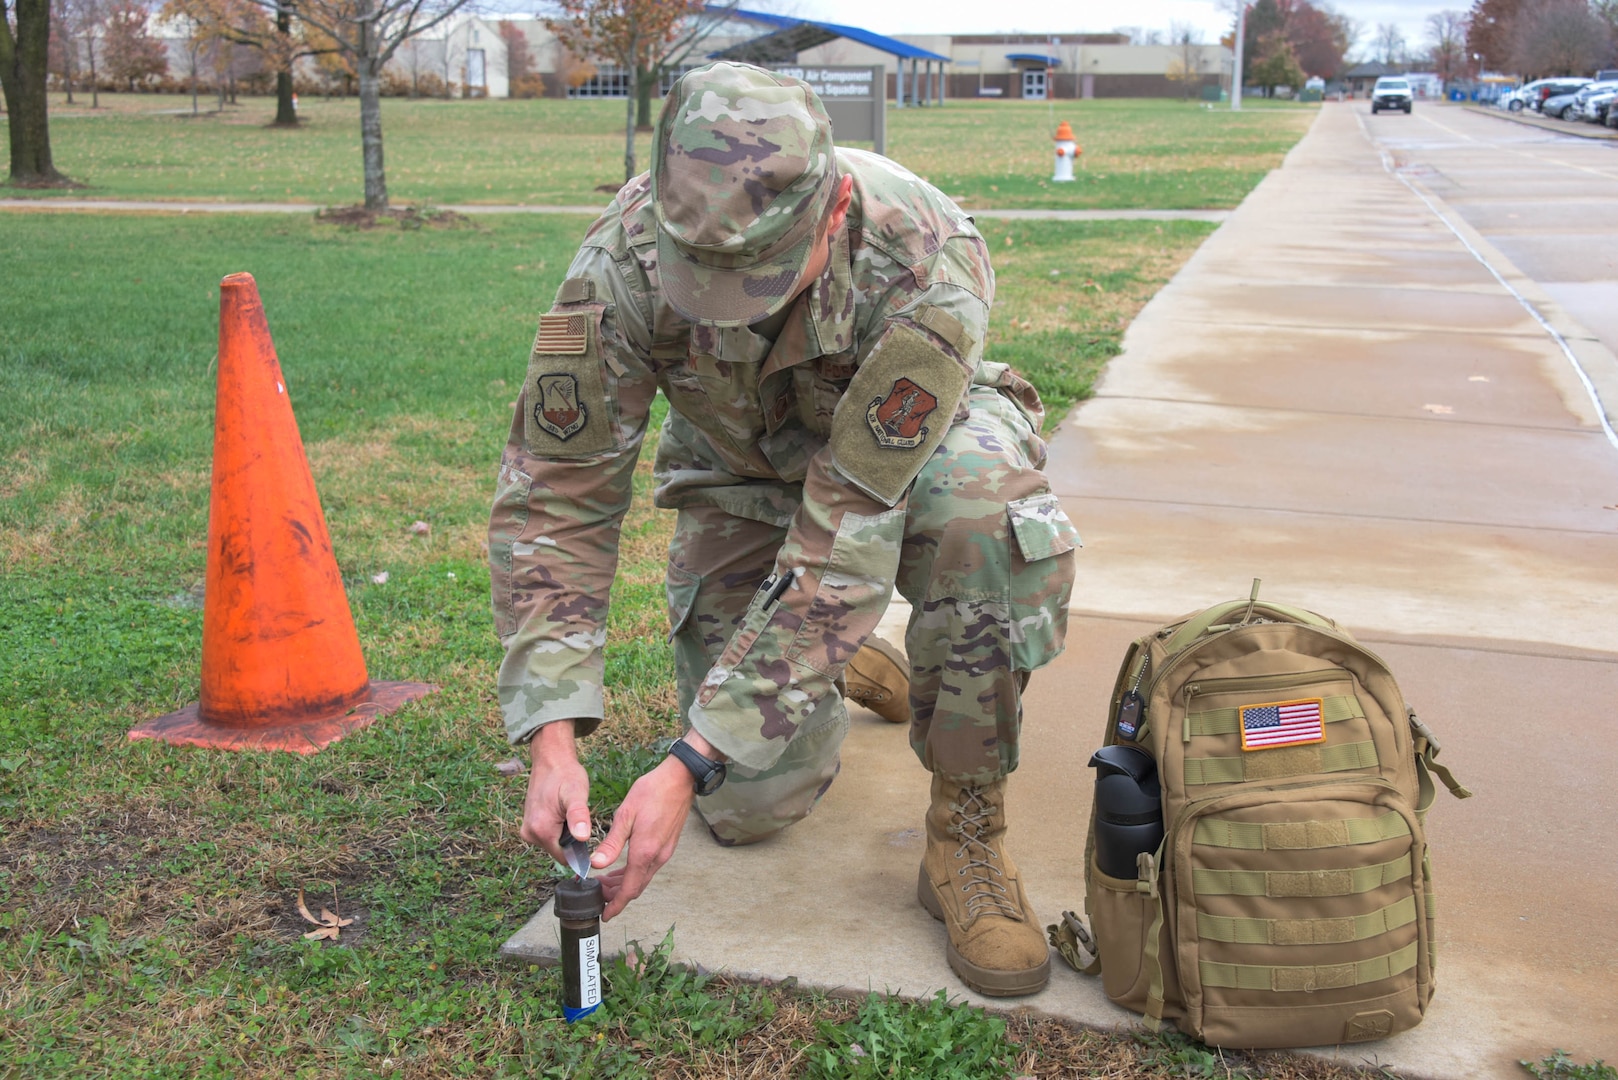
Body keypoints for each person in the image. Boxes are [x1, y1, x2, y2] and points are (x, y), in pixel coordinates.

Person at [488, 61, 1078, 997]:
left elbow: (852, 521)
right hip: (740, 474)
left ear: (833, 205)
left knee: (984, 519)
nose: (728, 303)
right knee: (754, 803)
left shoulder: (925, 257)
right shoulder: (617, 266)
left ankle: (967, 828)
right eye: (704, 279)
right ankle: (845, 661)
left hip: (900, 463)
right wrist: (552, 733)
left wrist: (687, 760)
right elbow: (559, 496)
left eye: (758, 275)